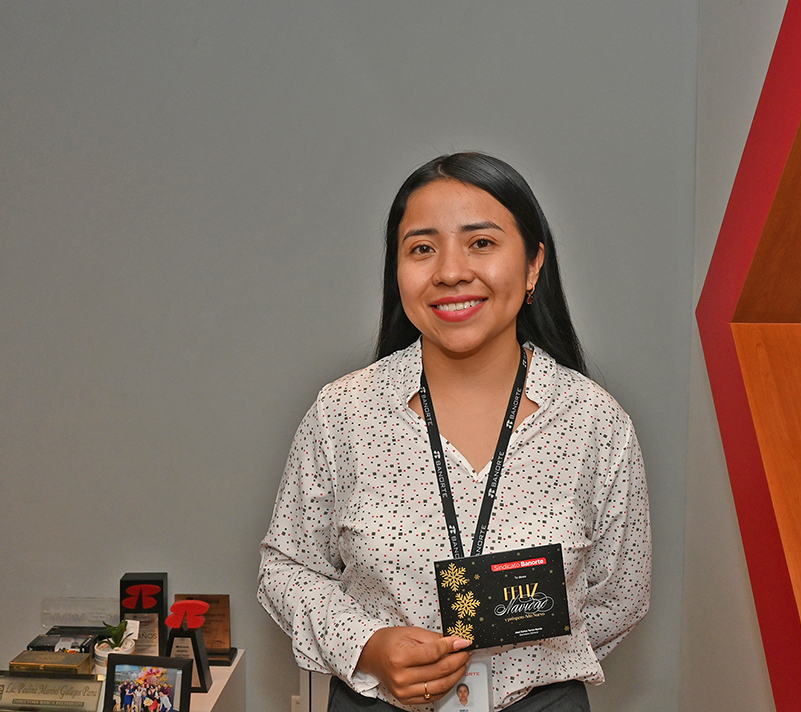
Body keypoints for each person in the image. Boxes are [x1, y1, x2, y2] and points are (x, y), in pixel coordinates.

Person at [258, 152, 651, 711]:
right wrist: (367, 646)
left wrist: (529, 665)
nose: (450, 271)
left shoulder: (595, 423)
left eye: (481, 242)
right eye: (422, 248)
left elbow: (620, 596)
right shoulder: (342, 412)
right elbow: (287, 568)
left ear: (534, 265)